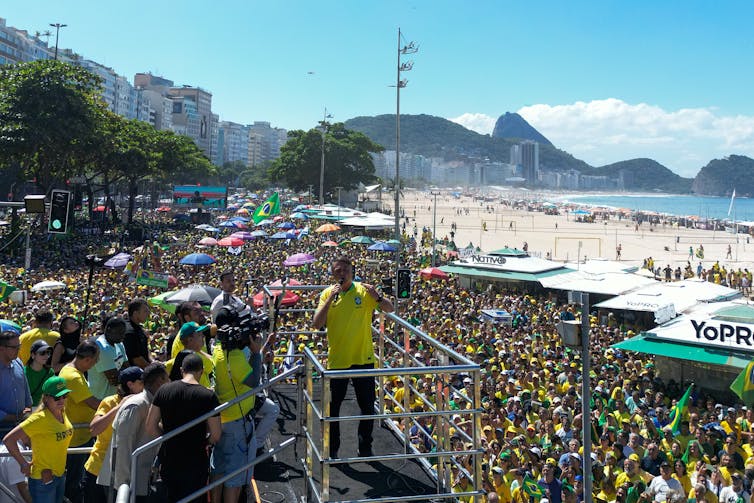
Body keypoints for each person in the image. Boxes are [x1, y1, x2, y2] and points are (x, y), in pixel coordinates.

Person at [312, 256, 394, 457]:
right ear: (332, 273)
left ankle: (365, 447)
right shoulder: (326, 294)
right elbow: (316, 324)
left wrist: (377, 297)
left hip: (363, 359)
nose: (342, 274)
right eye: (338, 270)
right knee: (333, 409)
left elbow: (390, 308)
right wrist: (331, 298)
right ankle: (333, 450)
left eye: (346, 270)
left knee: (367, 406)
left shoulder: (364, 291)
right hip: (337, 360)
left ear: (352, 272)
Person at [147, 353, 221, 502]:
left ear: (182, 370)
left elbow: (150, 426)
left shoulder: (164, 390)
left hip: (169, 458)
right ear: (201, 371)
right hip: (195, 459)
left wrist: (167, 437)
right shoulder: (208, 396)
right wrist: (205, 442)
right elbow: (216, 434)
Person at [210, 307, 264, 503]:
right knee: (234, 477)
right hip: (237, 423)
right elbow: (254, 381)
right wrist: (256, 353)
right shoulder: (235, 357)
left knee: (219, 470)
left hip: (222, 419)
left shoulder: (217, 349)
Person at [97, 362, 169, 502]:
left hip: (138, 480)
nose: (169, 383)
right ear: (160, 381)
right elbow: (122, 445)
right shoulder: (136, 405)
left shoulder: (150, 403)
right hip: (124, 484)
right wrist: (124, 485)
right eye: (167, 379)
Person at [2, 376, 73, 503]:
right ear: (46, 398)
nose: (61, 400)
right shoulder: (39, 419)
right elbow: (9, 440)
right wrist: (23, 463)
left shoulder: (62, 412)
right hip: (43, 479)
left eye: (65, 396)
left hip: (60, 475)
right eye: (57, 397)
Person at [82, 367, 144, 503]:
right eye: (141, 382)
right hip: (98, 469)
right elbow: (94, 429)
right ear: (130, 384)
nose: (145, 386)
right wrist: (119, 407)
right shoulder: (109, 402)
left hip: (124, 472)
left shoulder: (143, 403)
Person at [59, 340, 101, 503]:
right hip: (76, 438)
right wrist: (115, 406)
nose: (94, 365)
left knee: (74, 479)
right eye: (95, 361)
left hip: (79, 434)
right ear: (88, 359)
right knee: (74, 482)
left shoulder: (70, 370)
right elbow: (92, 403)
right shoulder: (74, 376)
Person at [165, 322, 214, 388]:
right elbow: (212, 363)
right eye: (199, 334)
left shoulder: (175, 361)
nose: (203, 336)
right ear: (190, 339)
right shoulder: (201, 359)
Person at [89, 315, 128, 399]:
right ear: (108, 330)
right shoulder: (101, 347)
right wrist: (124, 374)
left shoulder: (119, 343)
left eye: (124, 332)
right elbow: (114, 379)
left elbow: (126, 367)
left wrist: (123, 374)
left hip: (113, 396)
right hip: (100, 397)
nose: (123, 336)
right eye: (119, 332)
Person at [0, 330, 32, 426]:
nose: (18, 350)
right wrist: (14, 417)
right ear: (1, 348)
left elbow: (26, 390)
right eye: (14, 347)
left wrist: (28, 408)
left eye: (19, 346)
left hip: (21, 425)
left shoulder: (18, 362)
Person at [123, 298, 153, 369]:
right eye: (145, 311)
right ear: (135, 313)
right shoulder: (129, 331)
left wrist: (153, 361)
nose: (148, 314)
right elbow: (136, 359)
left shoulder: (138, 328)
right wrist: (151, 368)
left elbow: (145, 350)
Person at [25, 340, 55, 406]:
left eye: (48, 353)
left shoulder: (50, 372)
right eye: (42, 353)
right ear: (33, 355)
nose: (46, 356)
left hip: (43, 409)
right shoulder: (23, 373)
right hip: (27, 410)